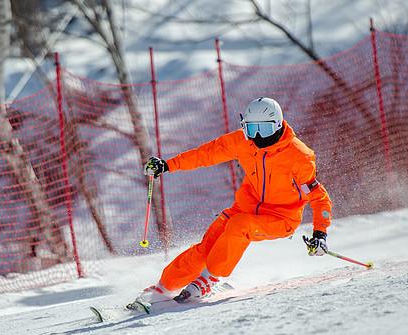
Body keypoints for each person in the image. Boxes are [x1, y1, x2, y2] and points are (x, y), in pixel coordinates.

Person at [140, 97, 332, 303]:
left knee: (240, 225)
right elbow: (206, 154)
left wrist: (320, 233)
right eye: (251, 129)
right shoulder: (243, 142)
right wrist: (168, 165)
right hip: (245, 208)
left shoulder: (298, 155)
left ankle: (212, 278)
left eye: (264, 130)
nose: (257, 136)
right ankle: (163, 288)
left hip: (281, 218)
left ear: (277, 126)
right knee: (206, 248)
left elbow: (319, 197)